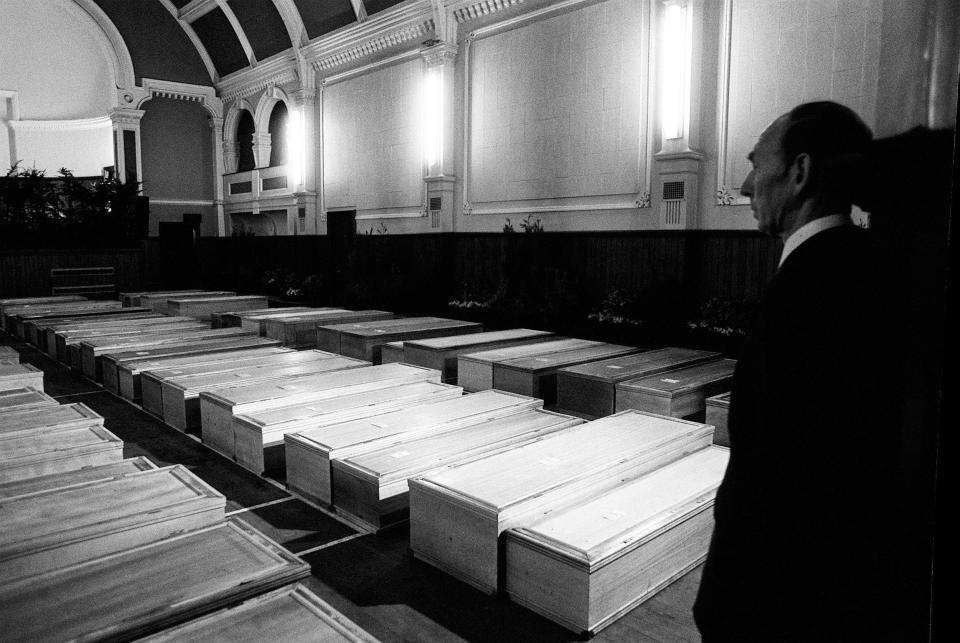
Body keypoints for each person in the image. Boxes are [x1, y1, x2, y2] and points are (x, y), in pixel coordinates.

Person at [693, 101, 903, 641]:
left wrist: (728, 601)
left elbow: (779, 472)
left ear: (800, 173)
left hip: (772, 601)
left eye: (755, 163)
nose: (743, 185)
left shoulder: (810, 289)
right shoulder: (864, 266)